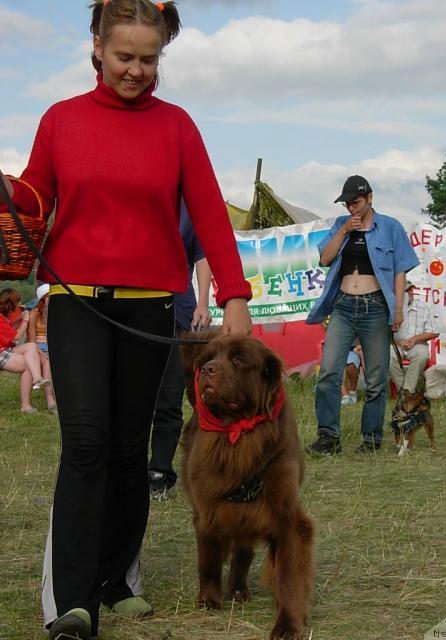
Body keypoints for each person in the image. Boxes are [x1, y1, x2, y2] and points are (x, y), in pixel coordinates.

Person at [0, 2, 251, 639]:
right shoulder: (60, 120)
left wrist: (235, 296)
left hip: (150, 304)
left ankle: (119, 580)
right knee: (85, 442)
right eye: (124, 57)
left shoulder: (177, 127)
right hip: (78, 302)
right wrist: (13, 204)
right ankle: (72, 600)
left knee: (128, 449)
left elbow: (212, 215)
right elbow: (33, 198)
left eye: (149, 58)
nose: (136, 70)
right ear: (97, 48)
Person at [305, 175, 419, 454]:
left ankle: (371, 439)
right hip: (343, 306)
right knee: (329, 371)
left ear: (369, 198)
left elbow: (401, 270)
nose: (351, 208)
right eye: (346, 204)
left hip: (376, 306)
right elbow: (324, 259)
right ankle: (328, 437)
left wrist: (399, 309)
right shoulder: (340, 226)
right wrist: (344, 230)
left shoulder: (391, 226)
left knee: (378, 378)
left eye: (355, 202)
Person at [149, 202, 212, 500]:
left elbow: (202, 256)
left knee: (170, 396)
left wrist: (203, 303)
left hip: (178, 310)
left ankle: (160, 472)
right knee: (133, 396)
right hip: (134, 307)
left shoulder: (191, 207)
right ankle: (124, 471)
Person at [0, 288, 51, 411]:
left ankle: (37, 379)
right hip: (1, 351)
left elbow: (12, 331)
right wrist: (26, 319)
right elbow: (16, 337)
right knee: (29, 364)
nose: (18, 305)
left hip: (6, 348)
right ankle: (26, 404)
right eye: (17, 302)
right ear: (10, 303)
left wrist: (20, 319)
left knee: (32, 347)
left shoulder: (5, 316)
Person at [389, 281, 439, 393]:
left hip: (417, 344)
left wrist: (415, 339)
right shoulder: (391, 309)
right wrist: (398, 340)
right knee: (387, 356)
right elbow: (383, 332)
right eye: (406, 291)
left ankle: (406, 391)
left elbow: (434, 332)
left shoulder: (422, 307)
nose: (410, 293)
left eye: (411, 290)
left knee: (422, 355)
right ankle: (405, 392)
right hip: (396, 344)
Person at [27, 284, 57, 413]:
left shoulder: (56, 313)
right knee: (47, 362)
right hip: (38, 346)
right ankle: (50, 401)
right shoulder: (34, 314)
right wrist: (40, 351)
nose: (48, 301)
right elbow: (31, 339)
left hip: (52, 344)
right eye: (46, 298)